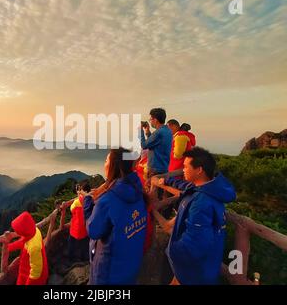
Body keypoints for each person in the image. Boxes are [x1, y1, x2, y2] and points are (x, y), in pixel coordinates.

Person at [152, 147, 236, 285]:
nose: (183, 169)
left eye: (185, 166)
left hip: (193, 272)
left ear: (199, 170)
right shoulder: (207, 189)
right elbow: (185, 186)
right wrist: (166, 181)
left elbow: (193, 244)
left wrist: (171, 250)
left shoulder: (202, 203)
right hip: (198, 268)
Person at [83, 148, 147, 285]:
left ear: (114, 166)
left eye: (106, 160)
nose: (104, 163)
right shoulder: (138, 191)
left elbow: (93, 231)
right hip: (130, 267)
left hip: (107, 273)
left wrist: (87, 203)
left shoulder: (107, 200)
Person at [5, 211, 48, 285]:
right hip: (25, 269)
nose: (16, 231)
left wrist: (29, 283)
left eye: (18, 230)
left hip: (34, 277)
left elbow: (36, 270)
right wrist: (8, 247)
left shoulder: (34, 247)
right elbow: (22, 241)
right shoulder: (34, 231)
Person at [62, 181, 91, 263]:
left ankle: (71, 259)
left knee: (72, 244)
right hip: (85, 229)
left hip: (75, 229)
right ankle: (84, 258)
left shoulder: (76, 202)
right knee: (84, 245)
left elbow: (71, 209)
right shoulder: (90, 200)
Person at [140, 108, 173, 177]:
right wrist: (148, 132)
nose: (150, 121)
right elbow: (154, 143)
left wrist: (140, 131)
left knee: (152, 187)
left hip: (155, 170)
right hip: (164, 167)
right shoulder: (168, 131)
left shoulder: (158, 132)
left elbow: (144, 145)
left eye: (151, 119)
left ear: (155, 120)